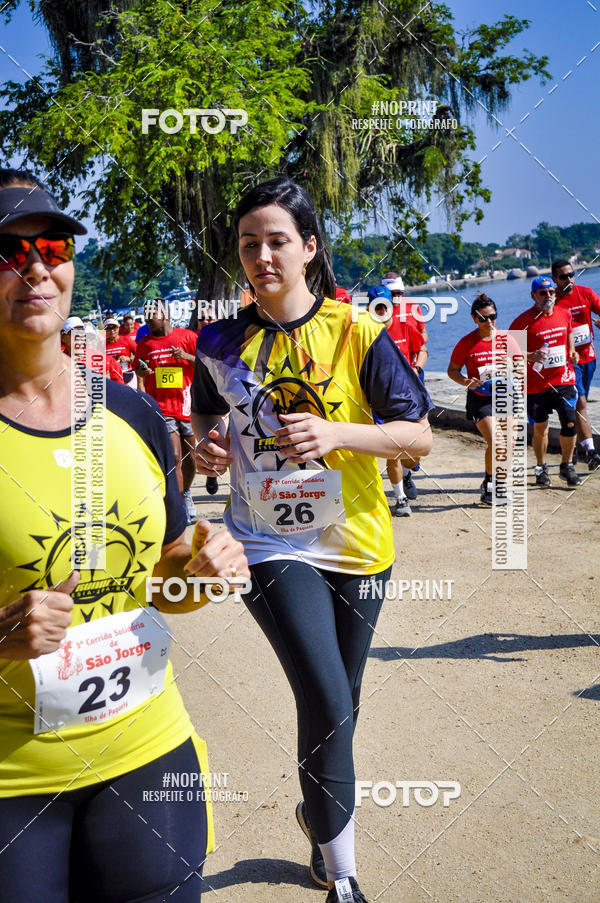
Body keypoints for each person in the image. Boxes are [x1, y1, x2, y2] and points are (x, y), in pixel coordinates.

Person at [0, 167, 249, 902]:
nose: (37, 267)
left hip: (147, 749)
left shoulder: (133, 413)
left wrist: (199, 574)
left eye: (51, 246)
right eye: (9, 253)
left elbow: (164, 581)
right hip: (14, 775)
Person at [191, 176, 433, 903]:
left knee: (341, 703)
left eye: (276, 241)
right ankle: (345, 876)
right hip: (269, 541)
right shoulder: (221, 343)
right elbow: (210, 428)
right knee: (326, 699)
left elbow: (417, 436)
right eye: (248, 244)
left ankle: (317, 816)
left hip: (357, 542)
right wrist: (207, 450)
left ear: (309, 248)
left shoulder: (358, 333)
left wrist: (335, 432)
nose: (262, 255)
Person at [448, 293, 520, 505]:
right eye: (483, 318)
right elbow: (452, 370)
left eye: (493, 317)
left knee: (509, 443)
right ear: (474, 318)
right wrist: (465, 382)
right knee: (496, 441)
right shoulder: (467, 343)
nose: (489, 322)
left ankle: (495, 482)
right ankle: (490, 487)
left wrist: (511, 369)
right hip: (481, 398)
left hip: (506, 395)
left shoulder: (507, 338)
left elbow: (519, 366)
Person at [132, 301, 200, 524]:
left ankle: (187, 492)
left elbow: (207, 362)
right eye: (145, 315)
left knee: (192, 456)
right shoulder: (145, 343)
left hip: (187, 404)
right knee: (175, 456)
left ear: (166, 314)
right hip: (161, 407)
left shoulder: (187, 337)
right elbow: (137, 367)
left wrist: (186, 357)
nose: (148, 319)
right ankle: (179, 505)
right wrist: (141, 371)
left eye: (152, 314)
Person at [510, 276, 580, 488]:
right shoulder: (522, 321)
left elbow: (569, 331)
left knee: (569, 421)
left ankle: (567, 466)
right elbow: (508, 351)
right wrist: (529, 355)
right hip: (535, 385)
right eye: (543, 292)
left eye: (551, 291)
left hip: (563, 379)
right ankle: (541, 466)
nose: (548, 296)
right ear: (533, 296)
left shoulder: (564, 313)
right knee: (541, 428)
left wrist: (572, 350)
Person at [372, 296, 428, 515]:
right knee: (392, 449)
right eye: (376, 307)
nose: (381, 311)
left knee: (417, 450)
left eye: (384, 306)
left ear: (391, 308)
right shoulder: (366, 331)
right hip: (382, 398)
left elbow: (422, 350)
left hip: (409, 396)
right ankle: (400, 499)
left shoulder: (404, 326)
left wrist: (416, 369)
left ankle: (406, 473)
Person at [553, 259, 600, 469]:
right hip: (568, 362)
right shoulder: (551, 300)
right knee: (580, 403)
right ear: (555, 279)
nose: (569, 279)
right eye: (563, 276)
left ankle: (574, 447)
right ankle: (591, 451)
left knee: (578, 405)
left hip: (589, 358)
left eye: (571, 274)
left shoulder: (586, 293)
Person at [61, 315, 125, 383]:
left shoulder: (103, 359)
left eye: (81, 330)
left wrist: (109, 385)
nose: (78, 334)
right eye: (73, 331)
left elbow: (121, 389)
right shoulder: (58, 363)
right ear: (62, 337)